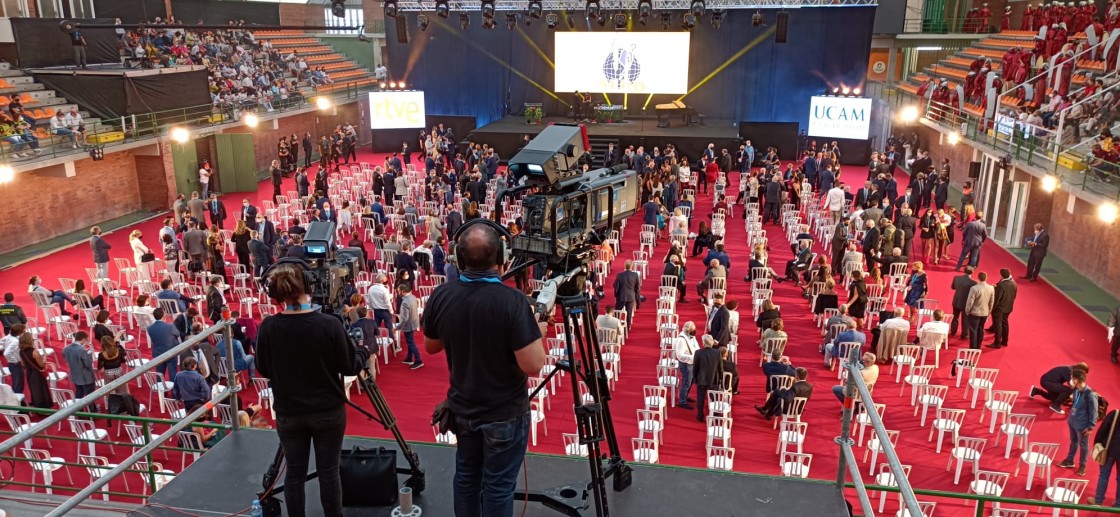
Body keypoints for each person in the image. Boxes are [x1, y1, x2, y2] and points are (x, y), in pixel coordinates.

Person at [421, 221, 545, 517]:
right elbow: (534, 364)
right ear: (502, 257)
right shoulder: (513, 302)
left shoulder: (442, 294)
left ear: (459, 258)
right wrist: (535, 330)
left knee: (466, 479)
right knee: (498, 486)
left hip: (463, 408)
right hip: (503, 414)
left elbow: (431, 346)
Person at [256, 263, 368, 517]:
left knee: (294, 474)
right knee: (329, 472)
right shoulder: (328, 325)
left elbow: (263, 368)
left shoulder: (268, 327)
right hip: (327, 411)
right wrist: (361, 350)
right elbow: (350, 366)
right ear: (308, 286)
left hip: (289, 413)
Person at [1056, 369, 1099, 477]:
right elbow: (1075, 403)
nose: (1070, 381)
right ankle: (1069, 461)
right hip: (1072, 421)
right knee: (1073, 441)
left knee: (1083, 445)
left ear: (1076, 380)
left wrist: (1090, 427)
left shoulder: (1090, 395)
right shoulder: (1076, 390)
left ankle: (1082, 466)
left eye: (1071, 379)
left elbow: (1094, 412)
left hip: (1082, 425)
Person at [1089, 406, 1120, 506]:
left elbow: (1102, 430)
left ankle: (1098, 501)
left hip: (1109, 450)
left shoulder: (1115, 414)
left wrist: (1097, 443)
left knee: (1104, 475)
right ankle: (1118, 503)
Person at [692, 334, 723, 422]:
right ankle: (716, 414)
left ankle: (700, 415)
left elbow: (695, 367)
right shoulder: (717, 353)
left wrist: (695, 377)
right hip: (713, 379)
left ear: (703, 343)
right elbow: (720, 368)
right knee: (714, 397)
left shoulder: (698, 353)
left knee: (700, 398)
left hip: (701, 378)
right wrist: (720, 379)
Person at [63, 331, 96, 409]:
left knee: (79, 393)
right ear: (83, 339)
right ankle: (91, 411)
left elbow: (71, 358)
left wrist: (86, 352)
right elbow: (87, 364)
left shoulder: (66, 348)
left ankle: (78, 410)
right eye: (86, 339)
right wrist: (90, 354)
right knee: (89, 395)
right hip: (85, 377)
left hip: (75, 375)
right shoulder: (81, 350)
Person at [147, 308, 181, 382]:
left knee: (159, 373)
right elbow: (178, 334)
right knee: (172, 372)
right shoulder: (170, 326)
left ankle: (162, 391)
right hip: (171, 352)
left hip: (158, 353)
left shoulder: (149, 328)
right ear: (164, 316)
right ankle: (174, 391)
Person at [963, 271, 995, 350]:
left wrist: (967, 311)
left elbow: (970, 301)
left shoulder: (974, 288)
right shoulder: (991, 288)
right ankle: (978, 347)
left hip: (974, 312)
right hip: (985, 312)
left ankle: (973, 348)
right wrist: (989, 312)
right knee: (981, 329)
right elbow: (992, 301)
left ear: (978, 278)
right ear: (986, 278)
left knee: (973, 330)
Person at [395, 283, 423, 370]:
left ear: (403, 291)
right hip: (414, 322)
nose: (398, 293)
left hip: (408, 325)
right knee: (410, 342)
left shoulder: (405, 302)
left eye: (399, 291)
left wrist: (397, 327)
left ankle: (418, 360)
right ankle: (409, 357)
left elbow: (404, 318)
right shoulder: (413, 297)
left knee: (411, 343)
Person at [19, 334, 51, 408]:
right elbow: (41, 364)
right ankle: (44, 408)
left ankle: (37, 405)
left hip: (29, 372)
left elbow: (23, 364)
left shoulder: (21, 351)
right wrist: (44, 359)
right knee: (41, 390)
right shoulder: (34, 352)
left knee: (34, 389)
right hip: (37, 373)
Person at [674, 321, 699, 409]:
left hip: (693, 362)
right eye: (692, 330)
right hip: (686, 364)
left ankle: (685, 396)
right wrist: (693, 357)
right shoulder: (682, 339)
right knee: (686, 382)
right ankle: (682, 401)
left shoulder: (691, 336)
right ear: (688, 330)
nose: (694, 331)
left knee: (691, 381)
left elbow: (696, 346)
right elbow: (679, 355)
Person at [989, 268, 1017, 348]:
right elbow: (1014, 296)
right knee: (1005, 323)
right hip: (1008, 307)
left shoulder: (1002, 285)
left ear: (1002, 275)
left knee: (998, 324)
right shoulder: (1014, 283)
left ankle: (997, 342)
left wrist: (992, 308)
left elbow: (997, 299)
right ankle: (1005, 341)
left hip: (1000, 308)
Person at [949, 266, 977, 339]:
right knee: (965, 318)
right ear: (972, 272)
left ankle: (953, 331)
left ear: (964, 271)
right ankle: (965, 334)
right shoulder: (973, 282)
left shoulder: (956, 278)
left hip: (956, 301)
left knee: (955, 317)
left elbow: (953, 287)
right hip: (966, 303)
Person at [613, 261, 641, 328]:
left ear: (625, 266)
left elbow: (615, 286)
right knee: (629, 313)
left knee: (617, 312)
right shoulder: (635, 275)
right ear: (632, 266)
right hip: (631, 296)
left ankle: (616, 326)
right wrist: (638, 301)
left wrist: (616, 295)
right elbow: (637, 288)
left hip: (621, 296)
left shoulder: (620, 275)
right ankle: (627, 328)